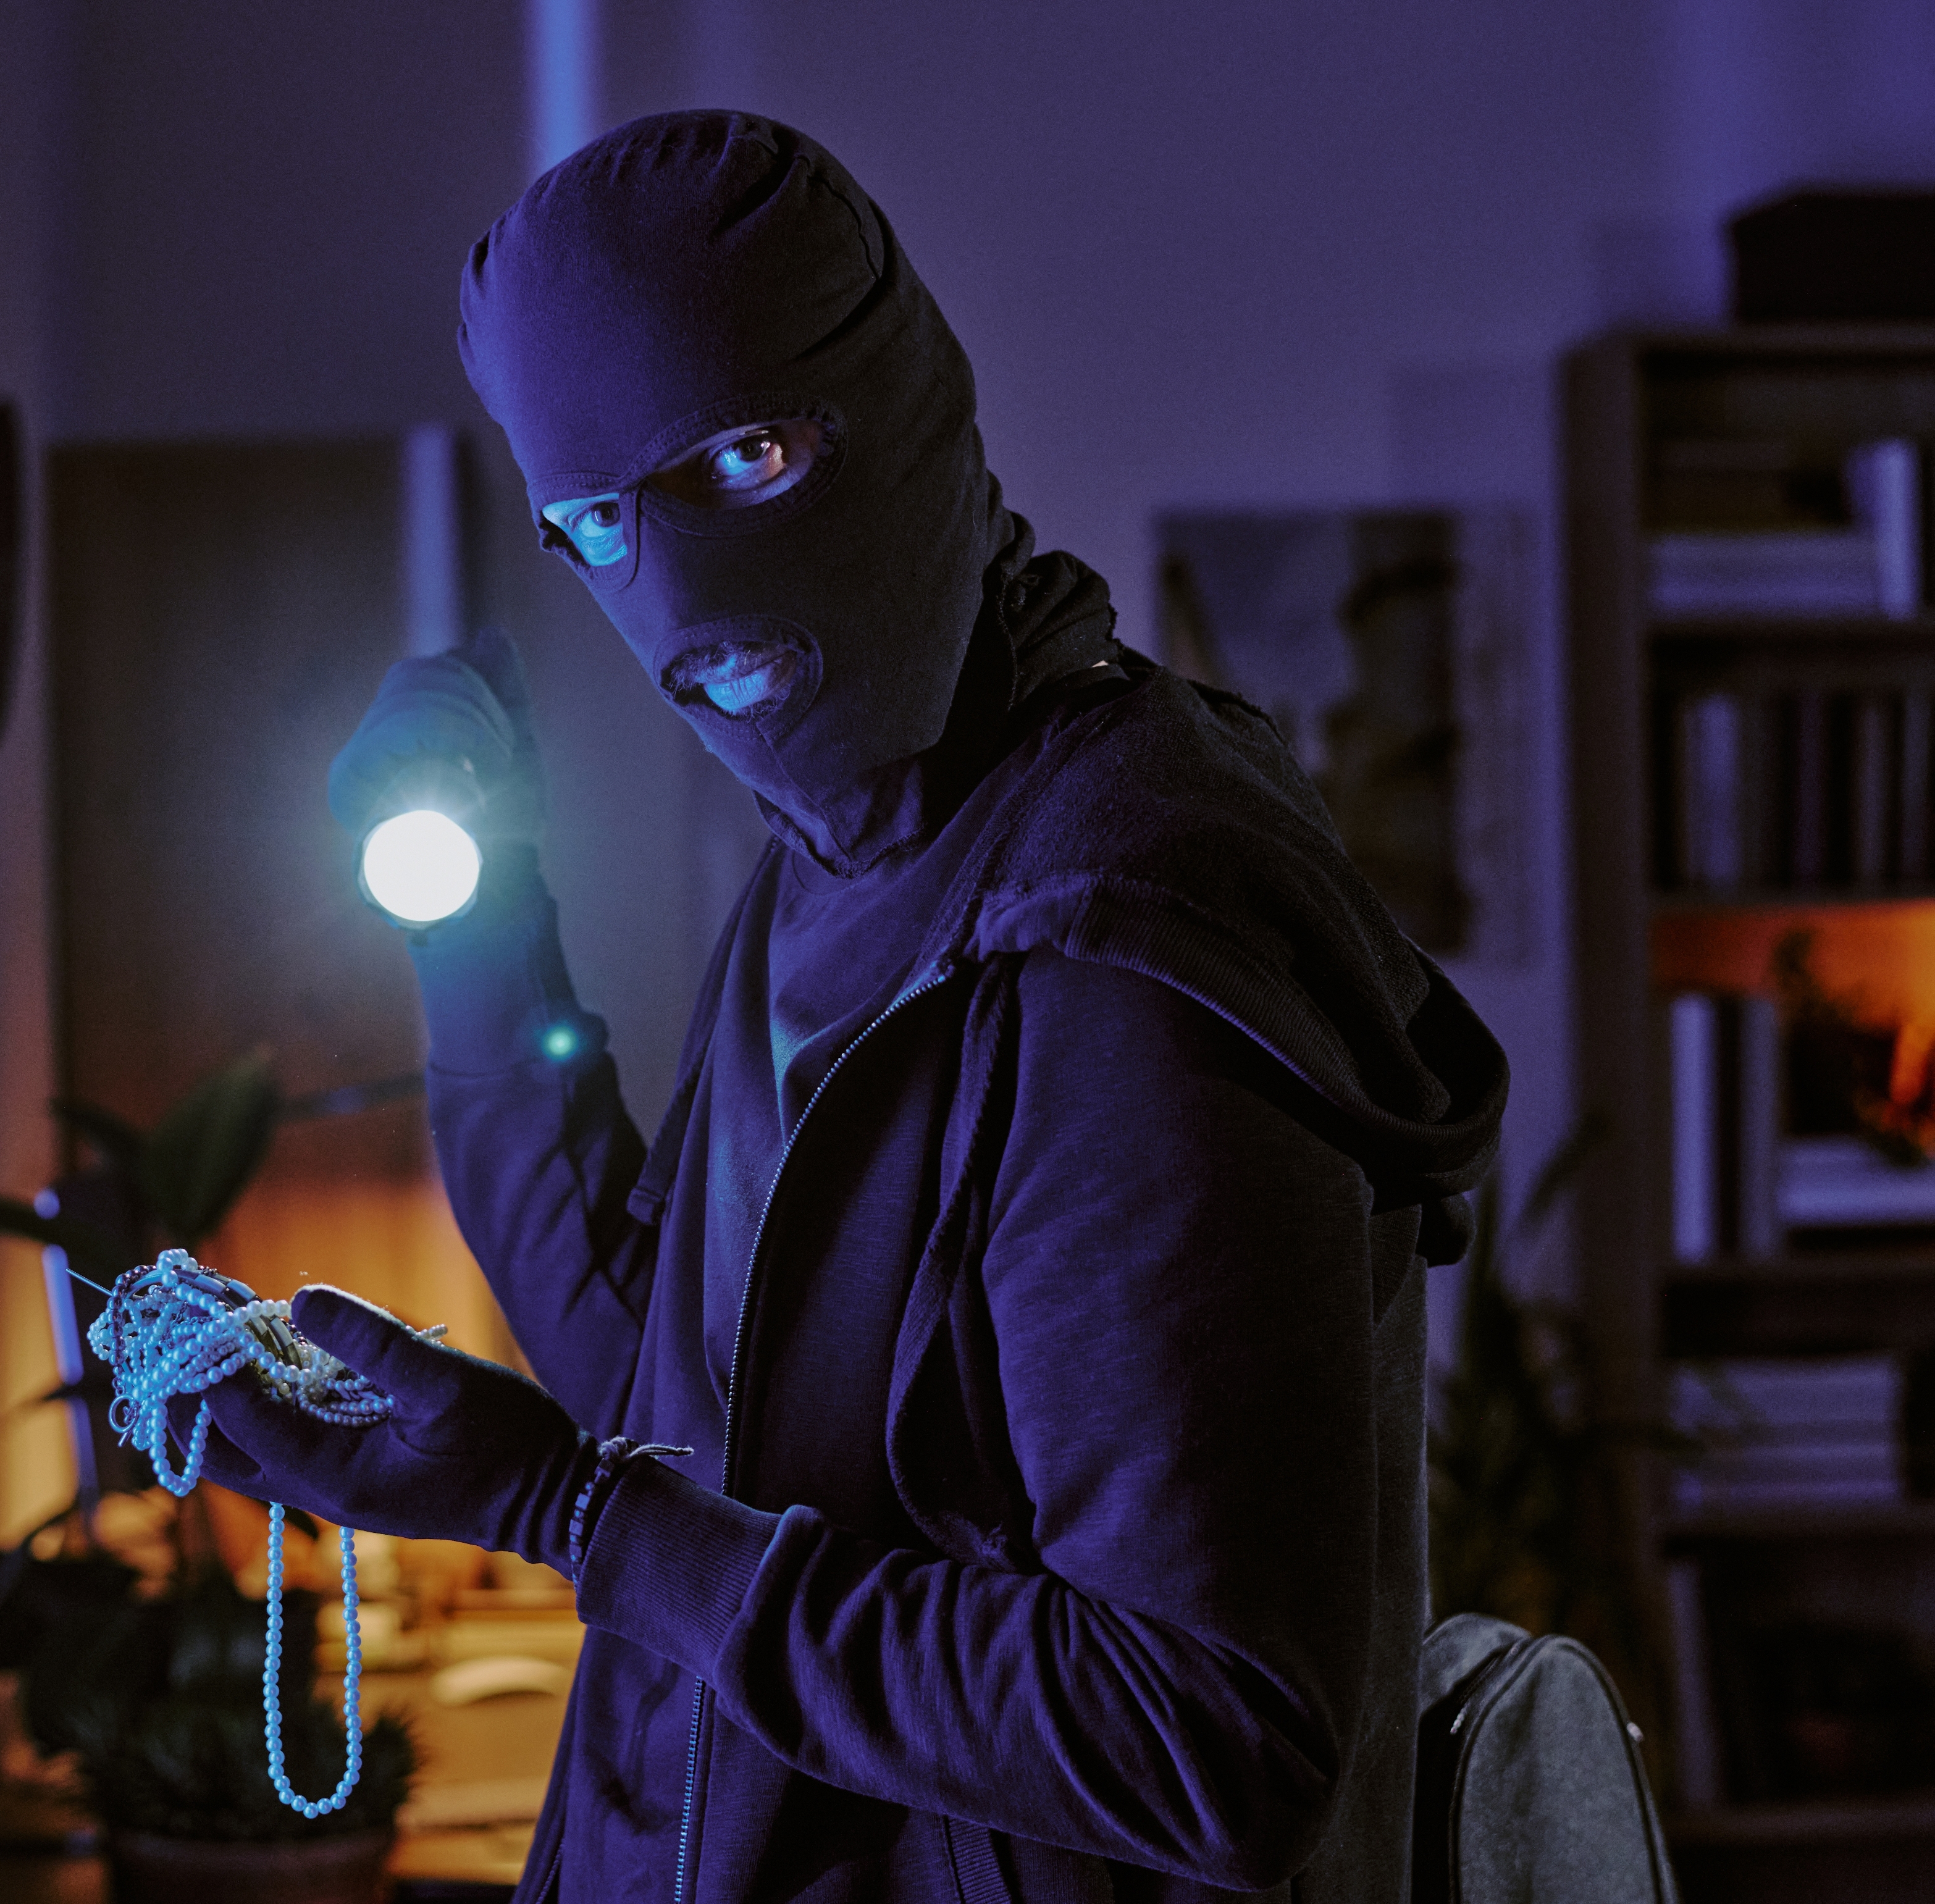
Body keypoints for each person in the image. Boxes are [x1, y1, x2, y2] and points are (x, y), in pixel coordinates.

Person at [199, 110, 1508, 1904]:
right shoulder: (860, 849)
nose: (684, 606)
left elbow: (1201, 1735)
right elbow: (683, 1398)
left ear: (903, 411)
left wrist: (570, 1515)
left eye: (742, 456)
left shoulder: (1107, 938)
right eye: (591, 523)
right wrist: (480, 931)